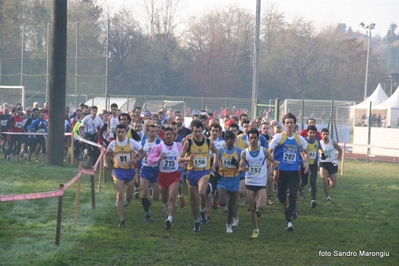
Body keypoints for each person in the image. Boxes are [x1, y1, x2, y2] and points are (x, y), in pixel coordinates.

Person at [268, 113, 309, 232]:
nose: (290, 125)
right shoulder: (278, 138)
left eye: (292, 122)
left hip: (294, 172)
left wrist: (306, 162)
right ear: (284, 124)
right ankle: (289, 209)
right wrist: (273, 164)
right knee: (282, 198)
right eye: (287, 123)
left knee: (292, 194)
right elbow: (269, 152)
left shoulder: (299, 138)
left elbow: (306, 153)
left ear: (295, 124)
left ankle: (289, 221)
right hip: (281, 172)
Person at [178, 120, 218, 233]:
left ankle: (203, 209)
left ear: (203, 131)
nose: (197, 134)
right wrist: (187, 159)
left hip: (204, 172)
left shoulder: (208, 142)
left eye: (199, 131)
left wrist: (213, 165)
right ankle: (196, 221)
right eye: (195, 131)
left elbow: (216, 152)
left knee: (202, 192)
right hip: (192, 173)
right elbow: (179, 158)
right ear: (192, 131)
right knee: (193, 201)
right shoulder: (188, 143)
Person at [104, 124, 146, 227]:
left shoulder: (132, 143)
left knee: (130, 196)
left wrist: (136, 160)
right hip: (118, 171)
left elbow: (143, 153)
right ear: (116, 133)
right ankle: (121, 220)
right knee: (119, 194)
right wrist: (105, 163)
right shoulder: (113, 144)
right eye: (118, 132)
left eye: (122, 132)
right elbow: (107, 154)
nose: (120, 134)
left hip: (130, 172)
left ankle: (128, 200)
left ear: (125, 132)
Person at [239, 129, 278, 238]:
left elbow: (272, 162)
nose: (252, 140)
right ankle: (255, 229)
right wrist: (242, 169)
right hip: (250, 181)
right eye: (250, 138)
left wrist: (272, 172)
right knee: (252, 207)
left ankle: (259, 211)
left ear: (258, 138)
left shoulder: (264, 151)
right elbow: (239, 168)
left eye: (255, 138)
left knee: (261, 206)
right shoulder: (244, 152)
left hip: (260, 182)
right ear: (248, 138)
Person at [146, 127, 182, 230]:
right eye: (166, 134)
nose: (169, 136)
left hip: (174, 175)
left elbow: (182, 157)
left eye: (170, 134)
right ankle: (166, 204)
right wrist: (159, 158)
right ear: (163, 136)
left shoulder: (178, 146)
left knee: (172, 197)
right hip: (162, 175)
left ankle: (169, 220)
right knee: (165, 198)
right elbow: (149, 160)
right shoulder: (158, 147)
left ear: (173, 135)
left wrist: (183, 163)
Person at [217, 130, 241, 233]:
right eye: (227, 139)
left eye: (231, 139)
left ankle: (228, 224)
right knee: (223, 202)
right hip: (223, 179)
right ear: (225, 140)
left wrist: (237, 164)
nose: (229, 141)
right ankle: (216, 197)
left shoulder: (239, 151)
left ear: (234, 140)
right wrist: (214, 166)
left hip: (234, 179)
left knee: (232, 204)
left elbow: (243, 164)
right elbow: (214, 161)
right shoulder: (220, 151)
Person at [139, 125, 161, 221]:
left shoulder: (160, 143)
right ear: (147, 132)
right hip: (145, 169)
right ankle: (147, 214)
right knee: (144, 192)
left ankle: (152, 190)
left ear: (157, 133)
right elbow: (137, 154)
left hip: (156, 170)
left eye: (154, 132)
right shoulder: (142, 143)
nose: (152, 133)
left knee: (156, 197)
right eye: (151, 131)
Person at [301, 125, 324, 208]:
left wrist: (322, 154)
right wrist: (304, 160)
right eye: (310, 132)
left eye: (314, 133)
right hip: (304, 163)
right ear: (307, 133)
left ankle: (313, 200)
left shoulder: (317, 141)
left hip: (313, 164)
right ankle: (300, 187)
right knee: (305, 181)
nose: (312, 134)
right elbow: (301, 151)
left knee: (313, 181)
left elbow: (320, 149)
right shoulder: (303, 141)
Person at [319, 128, 343, 202]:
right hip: (323, 164)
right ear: (321, 135)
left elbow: (340, 150)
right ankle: (328, 197)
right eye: (323, 134)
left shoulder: (333, 143)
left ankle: (329, 179)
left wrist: (337, 160)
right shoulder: (319, 143)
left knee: (333, 185)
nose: (325, 136)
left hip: (332, 163)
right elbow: (318, 150)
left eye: (326, 134)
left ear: (328, 134)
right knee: (324, 180)